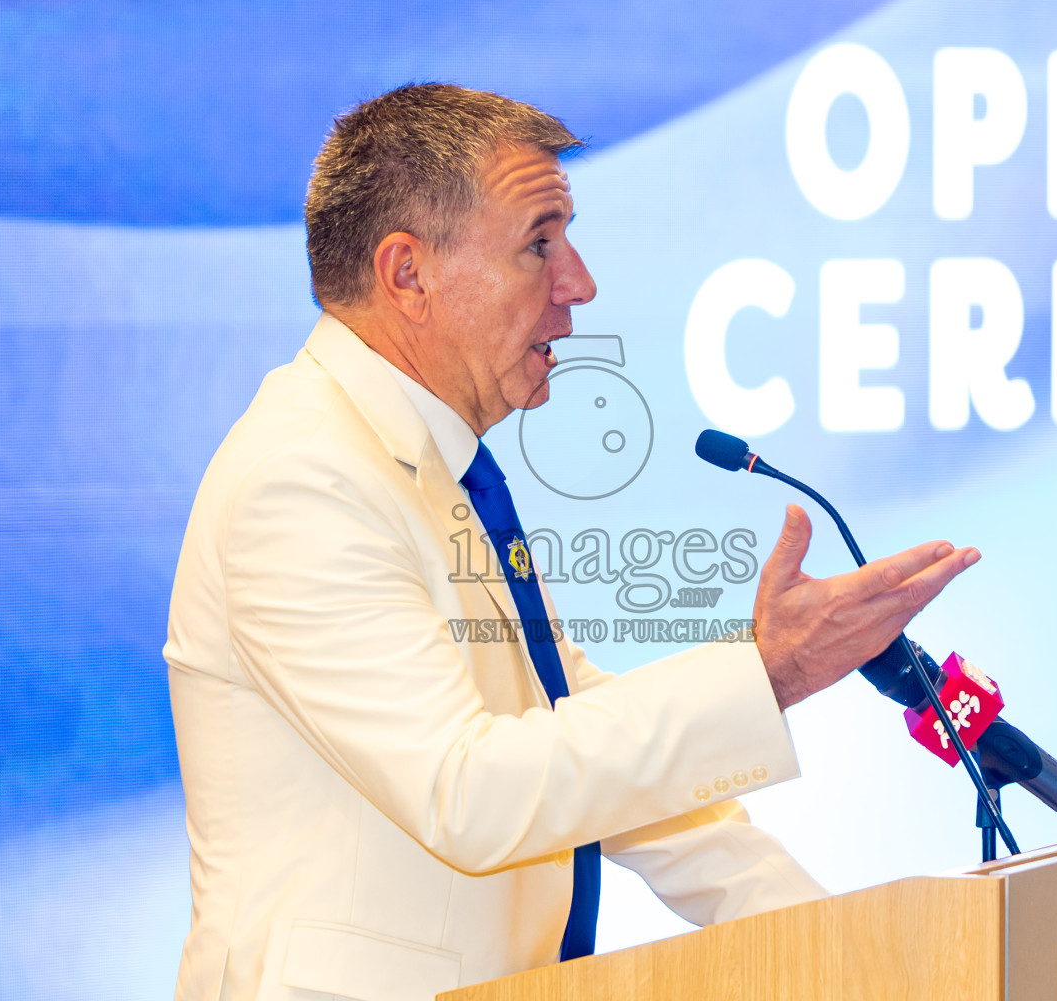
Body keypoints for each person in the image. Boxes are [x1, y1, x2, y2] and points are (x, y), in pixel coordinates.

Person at [163, 83, 979, 1001]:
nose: (579, 283)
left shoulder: (432, 466)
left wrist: (841, 947)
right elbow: (467, 792)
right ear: (408, 276)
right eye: (538, 244)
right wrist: (768, 673)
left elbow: (572, 733)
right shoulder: (302, 478)